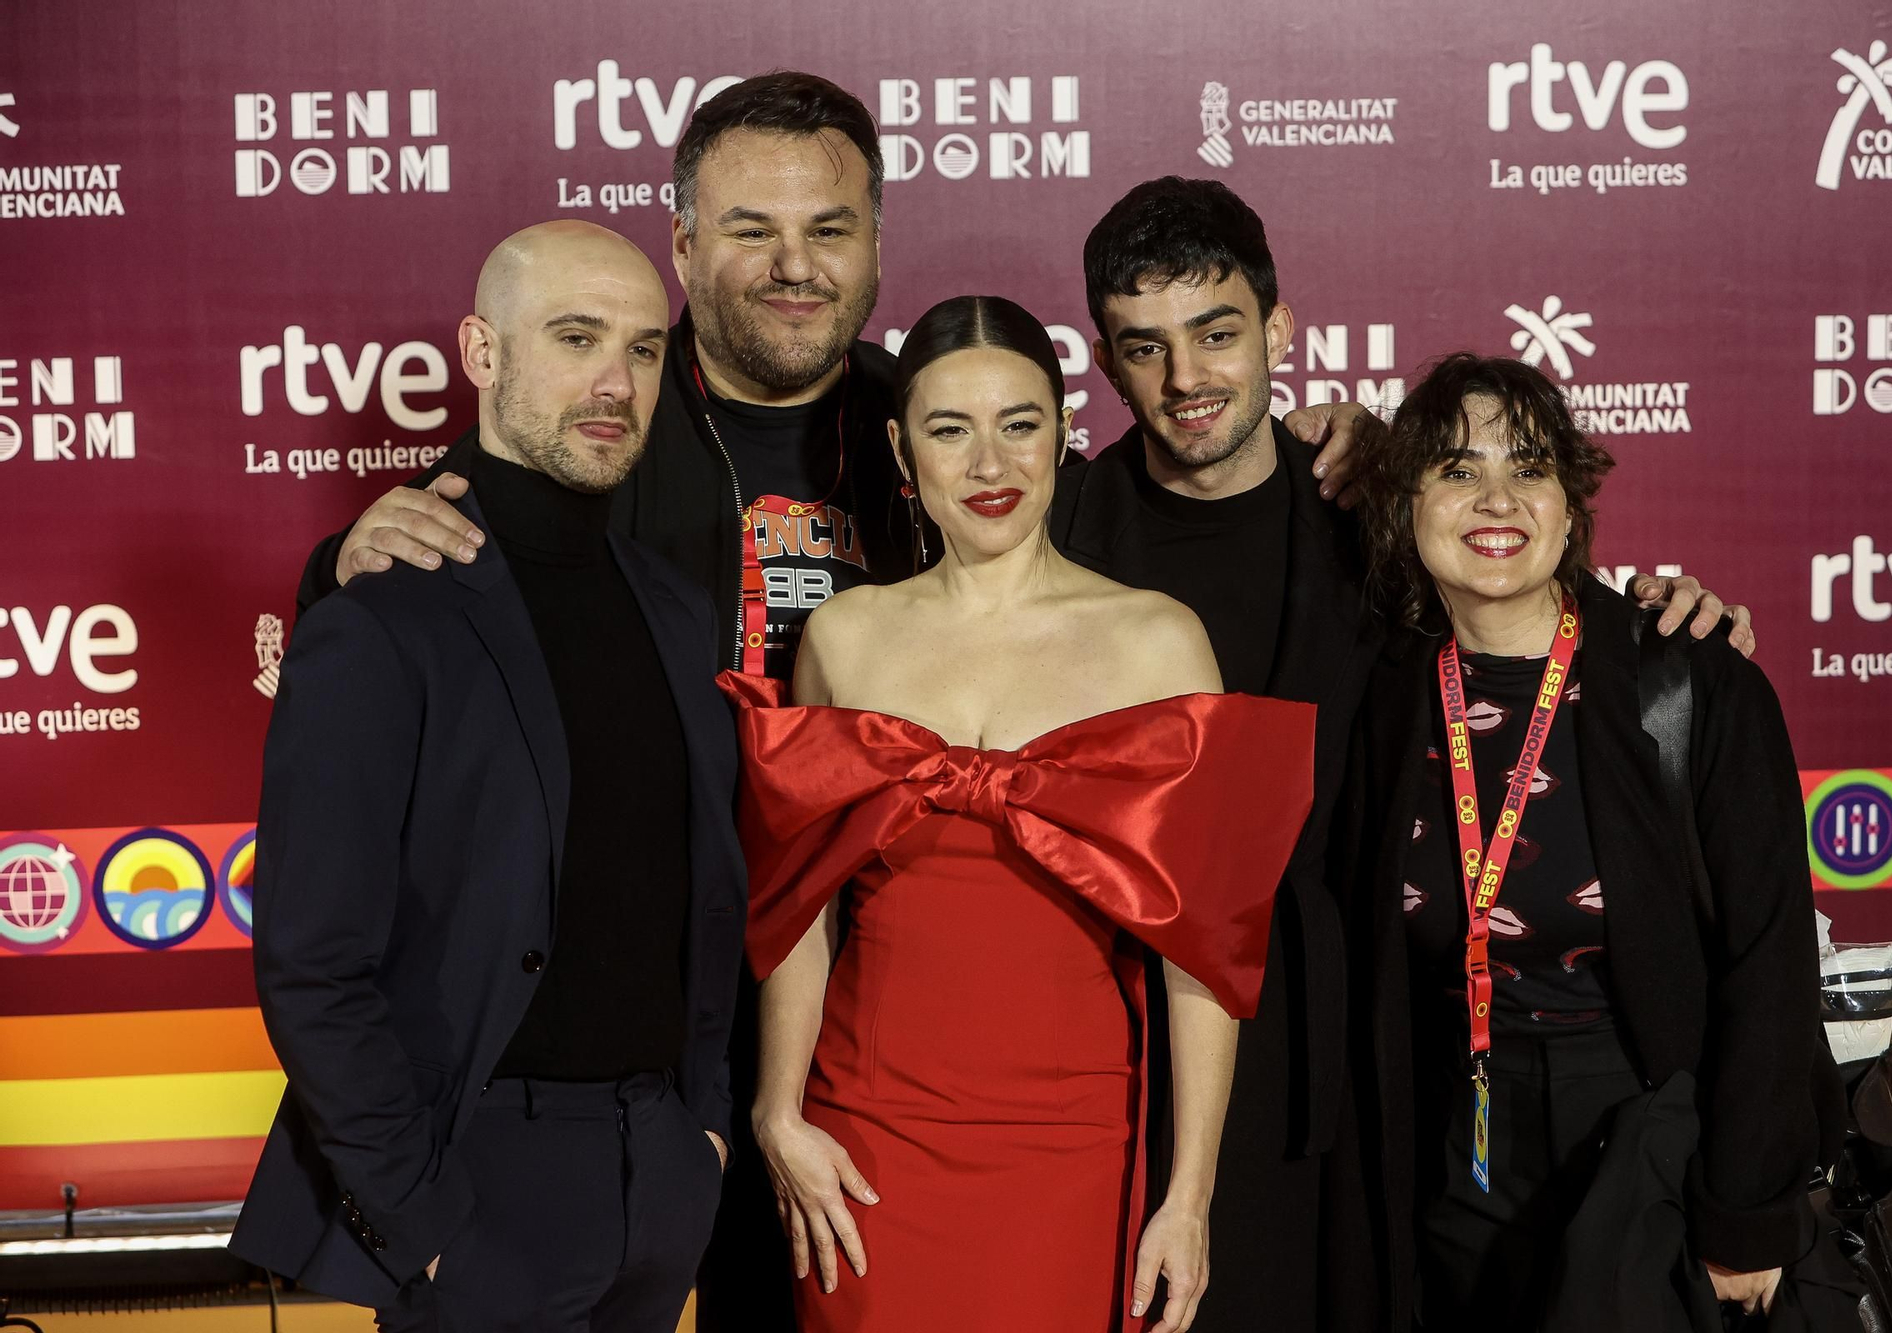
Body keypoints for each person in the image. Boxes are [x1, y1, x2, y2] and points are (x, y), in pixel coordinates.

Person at [289, 76, 1379, 1332]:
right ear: (685, 246)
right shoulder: (603, 432)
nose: (792, 265)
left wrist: (1341, 455)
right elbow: (449, 590)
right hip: (648, 1054)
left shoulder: (936, 408)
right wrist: (345, 557)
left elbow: (1181, 494)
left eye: (829, 229)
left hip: (916, 1053)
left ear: (876, 246)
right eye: (751, 229)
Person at [1049, 176, 1754, 1330]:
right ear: (1104, 360)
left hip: (1343, 1067)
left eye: (1217, 334)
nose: (1186, 379)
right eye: (1145, 347)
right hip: (1111, 1043)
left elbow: (1527, 594)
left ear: (1279, 329)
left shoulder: (1374, 518)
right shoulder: (1063, 533)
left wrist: (1665, 622)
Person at [725, 295, 1316, 1333]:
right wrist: (777, 1110)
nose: (988, 464)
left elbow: (1204, 958)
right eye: (950, 430)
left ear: (1061, 435)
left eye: (1019, 423)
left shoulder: (1156, 644)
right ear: (903, 453)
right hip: (867, 1138)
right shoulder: (842, 637)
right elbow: (797, 907)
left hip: (1075, 1135)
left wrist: (1188, 1197)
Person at [229, 220, 747, 1332]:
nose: (614, 382)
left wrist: (698, 1126)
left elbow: (702, 890)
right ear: (480, 350)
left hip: (658, 1170)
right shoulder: (381, 615)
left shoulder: (674, 607)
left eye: (644, 348)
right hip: (479, 1186)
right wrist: (418, 1215)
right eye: (574, 337)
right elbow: (312, 963)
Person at [1340, 353, 1832, 1330]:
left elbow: (1766, 958)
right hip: (1459, 1143)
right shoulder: (1384, 695)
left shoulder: (1687, 680)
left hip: (1645, 1129)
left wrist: (1742, 1212)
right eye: (1453, 468)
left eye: (1527, 467)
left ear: (1571, 505)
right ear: (1403, 505)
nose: (1495, 498)